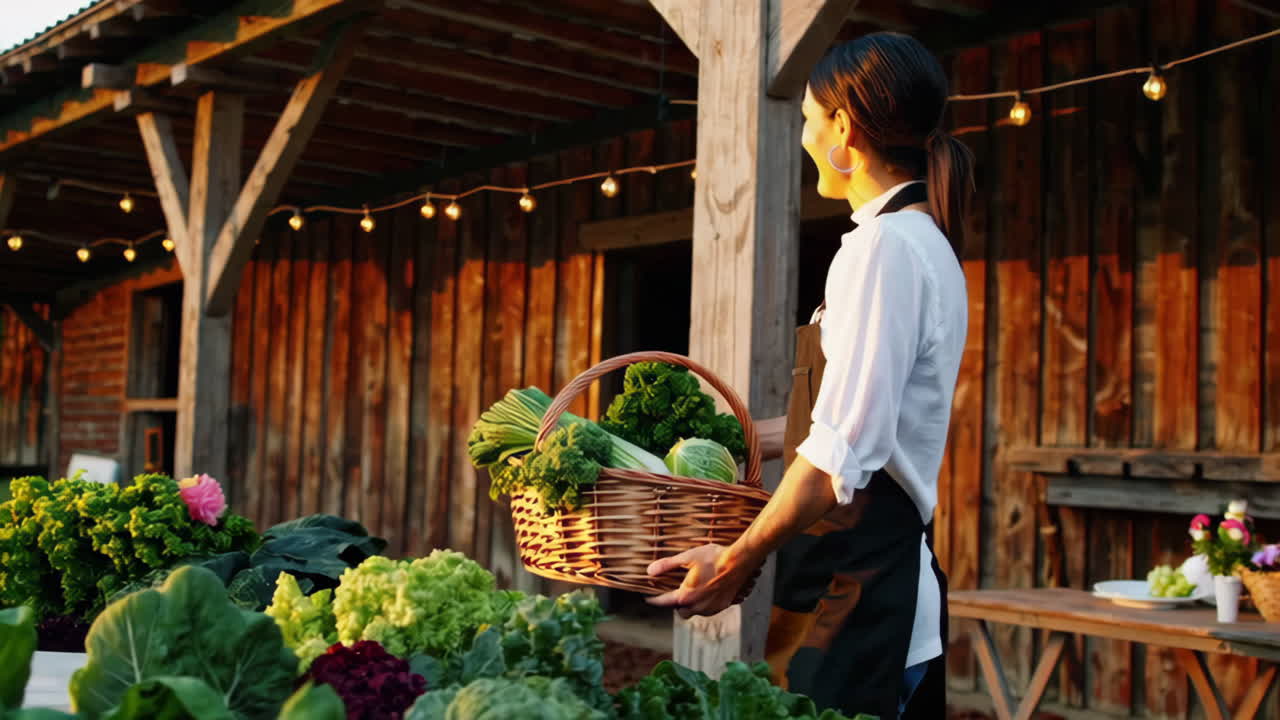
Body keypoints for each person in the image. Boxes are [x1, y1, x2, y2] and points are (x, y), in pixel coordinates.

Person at [645, 32, 974, 720]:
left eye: (806, 119)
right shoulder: (914, 241)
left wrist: (735, 557)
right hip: (848, 581)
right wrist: (705, 445)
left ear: (844, 130)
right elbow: (835, 427)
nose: (802, 137)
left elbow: (835, 463)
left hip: (860, 596)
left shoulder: (884, 248)